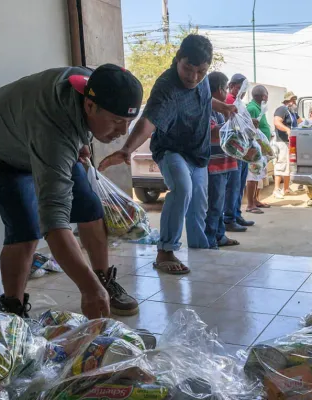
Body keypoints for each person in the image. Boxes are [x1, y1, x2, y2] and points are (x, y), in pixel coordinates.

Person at [0, 64, 143, 318]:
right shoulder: (54, 134)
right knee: (26, 228)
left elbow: (74, 125)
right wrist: (86, 289)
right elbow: (54, 222)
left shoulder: (94, 83)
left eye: (129, 122)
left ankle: (103, 282)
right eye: (117, 122)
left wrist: (83, 140)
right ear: (89, 106)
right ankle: (14, 313)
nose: (123, 132)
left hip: (31, 137)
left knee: (90, 207)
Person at [100, 34, 236, 274]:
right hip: (172, 150)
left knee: (198, 207)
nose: (193, 77)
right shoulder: (166, 87)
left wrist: (222, 106)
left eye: (201, 72)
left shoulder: (202, 81)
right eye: (188, 69)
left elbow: (204, 100)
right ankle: (165, 251)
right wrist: (127, 149)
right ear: (177, 60)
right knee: (182, 188)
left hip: (198, 154)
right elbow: (148, 121)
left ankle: (200, 249)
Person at [205, 71, 241, 248]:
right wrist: (235, 125)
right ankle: (211, 240)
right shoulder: (208, 108)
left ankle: (220, 236)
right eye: (226, 88)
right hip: (215, 165)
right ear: (219, 89)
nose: (227, 92)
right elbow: (213, 132)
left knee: (219, 204)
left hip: (225, 162)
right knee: (214, 206)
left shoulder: (221, 110)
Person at [222, 73, 254, 232]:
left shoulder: (239, 102)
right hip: (235, 150)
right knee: (233, 186)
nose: (243, 91)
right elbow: (234, 124)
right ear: (233, 86)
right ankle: (229, 218)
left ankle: (236, 213)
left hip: (242, 148)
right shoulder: (228, 101)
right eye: (241, 87)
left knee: (239, 185)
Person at [244, 85, 273, 213]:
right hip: (254, 148)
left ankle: (255, 200)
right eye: (267, 95)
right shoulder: (252, 108)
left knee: (257, 175)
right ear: (263, 96)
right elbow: (249, 129)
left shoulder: (257, 108)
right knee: (253, 174)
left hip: (260, 148)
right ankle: (250, 204)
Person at [273, 91, 299, 199]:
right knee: (281, 165)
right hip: (282, 142)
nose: (294, 102)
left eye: (295, 100)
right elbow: (277, 122)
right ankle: (276, 189)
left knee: (288, 166)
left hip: (290, 143)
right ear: (287, 101)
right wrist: (287, 129)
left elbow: (301, 122)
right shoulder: (282, 109)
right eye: (293, 100)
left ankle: (286, 189)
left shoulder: (292, 112)